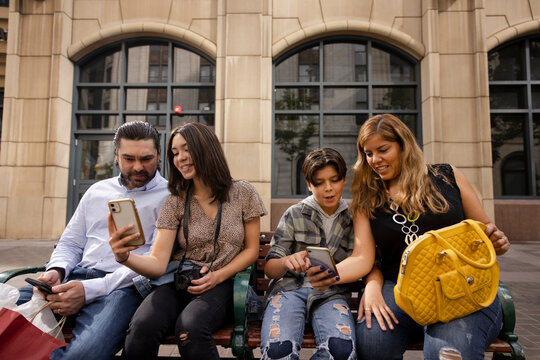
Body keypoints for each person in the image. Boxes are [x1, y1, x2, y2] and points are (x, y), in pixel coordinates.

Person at [351, 114, 511, 360]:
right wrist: (372, 285)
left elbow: (484, 229)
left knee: (448, 353)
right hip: (399, 290)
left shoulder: (448, 176)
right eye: (368, 153)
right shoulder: (368, 198)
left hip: (462, 286)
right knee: (372, 343)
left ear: (404, 145)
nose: (375, 160)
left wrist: (496, 240)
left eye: (383, 150)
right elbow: (365, 257)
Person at [109, 122, 267, 360]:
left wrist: (218, 276)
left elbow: (252, 250)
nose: (180, 158)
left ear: (206, 149)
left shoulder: (243, 193)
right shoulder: (174, 201)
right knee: (142, 326)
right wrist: (125, 257)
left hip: (224, 282)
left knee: (190, 328)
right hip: (179, 279)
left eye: (186, 149)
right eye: (174, 153)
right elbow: (158, 263)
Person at [17, 121, 170, 360]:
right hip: (71, 278)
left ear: (158, 155)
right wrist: (56, 272)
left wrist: (87, 291)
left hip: (120, 289)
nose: (138, 167)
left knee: (85, 355)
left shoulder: (170, 197)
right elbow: (71, 243)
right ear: (116, 156)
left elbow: (153, 261)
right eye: (129, 158)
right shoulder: (97, 191)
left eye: (146, 159)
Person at [260, 147, 375, 360]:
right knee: (278, 351)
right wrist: (286, 261)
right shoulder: (295, 213)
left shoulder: (353, 218)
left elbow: (362, 260)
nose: (328, 189)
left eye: (334, 180)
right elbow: (270, 268)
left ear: (344, 180)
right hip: (289, 291)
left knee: (342, 352)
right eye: (319, 183)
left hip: (332, 294)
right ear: (309, 184)